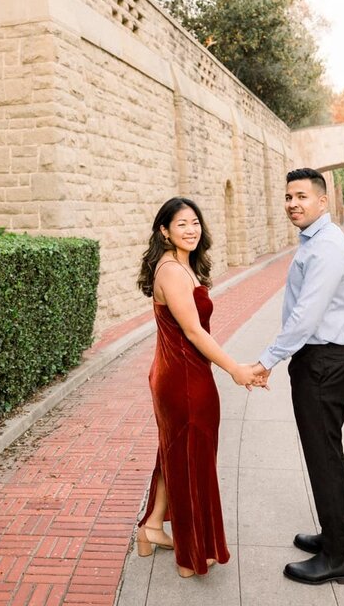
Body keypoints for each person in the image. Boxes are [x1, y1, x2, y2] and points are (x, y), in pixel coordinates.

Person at [135, 197, 262, 578]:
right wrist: (234, 368)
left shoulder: (181, 265)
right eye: (181, 224)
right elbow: (192, 331)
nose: (191, 230)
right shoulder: (172, 271)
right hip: (184, 380)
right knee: (193, 461)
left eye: (195, 223)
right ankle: (191, 555)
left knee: (176, 454)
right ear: (164, 231)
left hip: (178, 373)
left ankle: (151, 528)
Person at [247, 168, 344, 585]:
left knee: (323, 457)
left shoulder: (326, 246)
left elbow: (306, 316)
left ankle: (338, 558)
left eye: (302, 197)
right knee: (329, 453)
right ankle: (342, 538)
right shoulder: (316, 240)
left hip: (323, 363)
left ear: (322, 201)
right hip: (323, 360)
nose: (293, 204)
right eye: (288, 197)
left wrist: (267, 360)